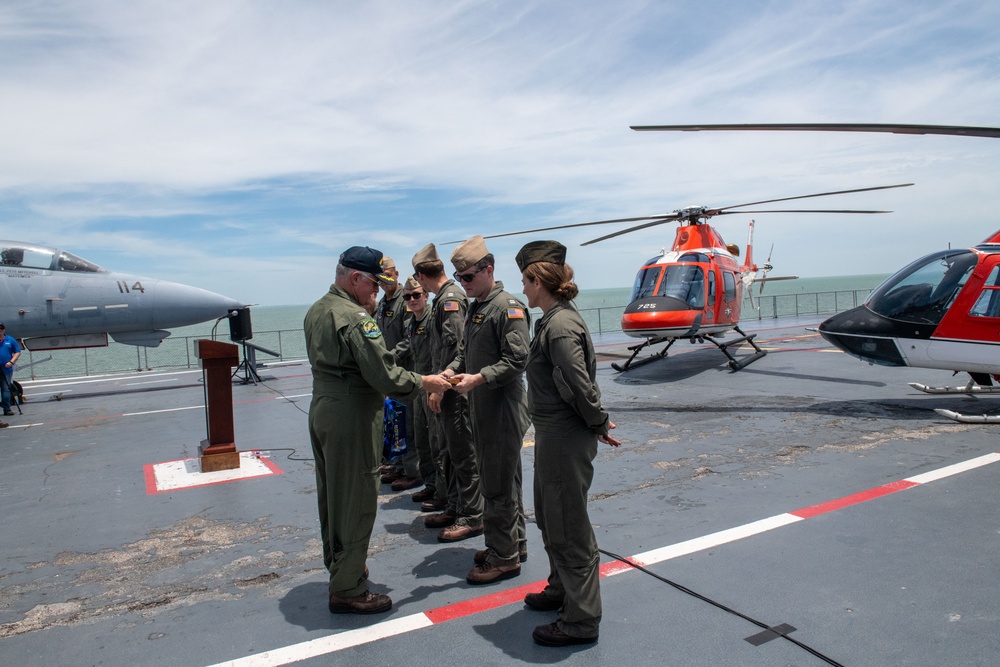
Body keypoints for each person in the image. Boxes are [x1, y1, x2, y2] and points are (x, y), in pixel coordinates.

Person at [303, 246, 452, 615]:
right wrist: (427, 381)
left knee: (332, 497)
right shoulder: (355, 317)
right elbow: (385, 374)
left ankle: (341, 565)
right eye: (374, 284)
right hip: (352, 416)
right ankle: (349, 587)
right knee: (355, 500)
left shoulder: (319, 309)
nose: (377, 292)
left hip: (324, 409)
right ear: (355, 278)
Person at [515, 240, 622, 647]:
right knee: (550, 515)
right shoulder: (553, 319)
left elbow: (578, 383)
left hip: (563, 436)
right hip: (553, 434)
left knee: (568, 526)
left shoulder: (558, 326)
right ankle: (561, 588)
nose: (523, 289)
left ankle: (580, 620)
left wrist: (597, 421)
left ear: (538, 280)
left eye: (525, 281)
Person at [445, 236, 531, 585]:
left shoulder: (507, 307)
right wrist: (452, 371)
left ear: (488, 269)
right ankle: (515, 544)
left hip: (501, 407)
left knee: (495, 486)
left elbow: (518, 358)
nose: (462, 284)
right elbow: (466, 351)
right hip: (484, 404)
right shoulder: (478, 306)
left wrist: (478, 379)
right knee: (504, 480)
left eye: (467, 277)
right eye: (458, 278)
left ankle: (503, 558)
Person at [412, 242, 484, 542]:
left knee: (463, 455)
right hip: (445, 388)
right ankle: (456, 506)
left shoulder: (450, 300)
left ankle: (472, 515)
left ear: (421, 276)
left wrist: (442, 387)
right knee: (450, 453)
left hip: (454, 391)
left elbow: (456, 349)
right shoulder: (444, 298)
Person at [392, 276, 443, 506]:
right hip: (419, 386)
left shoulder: (434, 320)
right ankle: (431, 485)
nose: (412, 300)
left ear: (426, 295)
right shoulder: (410, 324)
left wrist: (438, 387)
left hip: (433, 385)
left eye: (416, 295)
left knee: (437, 442)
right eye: (407, 297)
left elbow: (441, 354)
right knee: (421, 439)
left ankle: (443, 493)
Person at [375, 257, 421, 490]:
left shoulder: (405, 300)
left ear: (396, 273)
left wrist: (389, 357)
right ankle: (401, 465)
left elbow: (408, 338)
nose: (384, 282)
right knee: (394, 422)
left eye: (388, 276)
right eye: (380, 279)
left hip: (404, 369)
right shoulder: (383, 304)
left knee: (408, 423)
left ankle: (413, 471)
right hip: (389, 372)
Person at [0, 323, 21, 418]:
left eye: (2, 328)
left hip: (6, 369)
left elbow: (17, 351)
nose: (0, 330)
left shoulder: (10, 340)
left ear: (4, 329)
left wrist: (11, 362)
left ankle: (7, 409)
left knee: (6, 390)